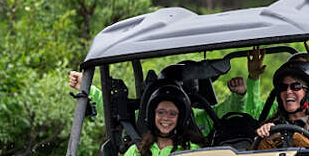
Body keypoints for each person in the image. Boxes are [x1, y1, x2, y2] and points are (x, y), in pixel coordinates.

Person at [66, 48, 268, 136]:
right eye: (161, 111)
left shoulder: (200, 124)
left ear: (183, 109)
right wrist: (88, 88)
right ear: (152, 109)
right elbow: (114, 112)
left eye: (173, 112)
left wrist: (242, 92)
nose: (166, 118)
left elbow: (232, 111)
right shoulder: (140, 143)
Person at [255, 55, 309, 150]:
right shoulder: (274, 125)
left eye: (296, 86)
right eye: (283, 87)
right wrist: (266, 138)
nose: (288, 91)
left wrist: (285, 135)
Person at [121, 82, 202, 156]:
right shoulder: (134, 153)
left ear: (180, 118)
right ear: (153, 116)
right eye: (161, 112)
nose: (166, 118)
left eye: (172, 114)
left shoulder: (193, 152)